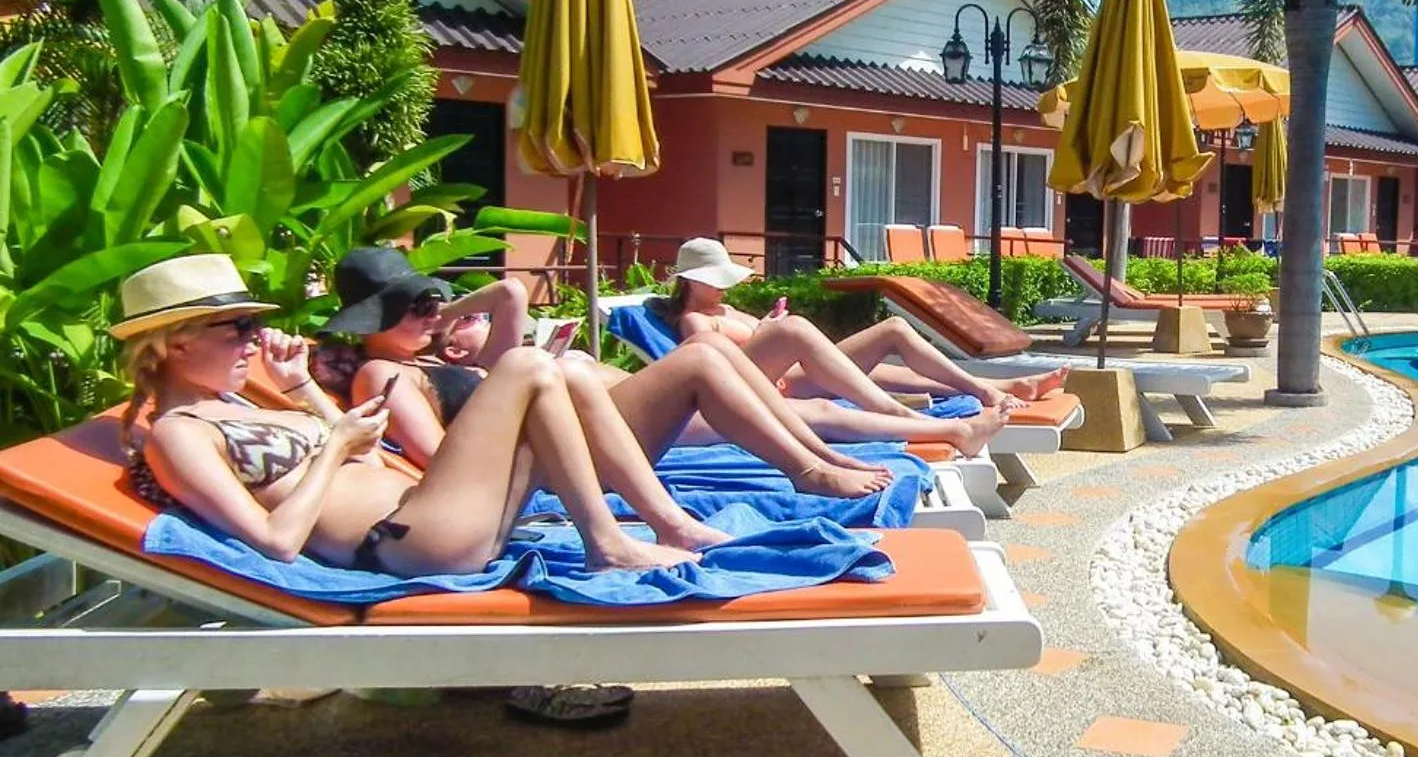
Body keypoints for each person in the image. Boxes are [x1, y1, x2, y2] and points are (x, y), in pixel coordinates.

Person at [113, 254, 706, 578]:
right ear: (177, 344)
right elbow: (277, 541)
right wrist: (331, 448)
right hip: (402, 543)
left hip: (430, 512)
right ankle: (609, 542)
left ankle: (662, 525)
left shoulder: (238, 406)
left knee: (561, 372)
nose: (251, 342)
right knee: (525, 367)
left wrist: (302, 390)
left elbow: (365, 454)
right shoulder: (178, 434)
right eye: (237, 328)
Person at [319, 249, 919, 499]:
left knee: (708, 358)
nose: (432, 317)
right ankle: (812, 467)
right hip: (552, 462)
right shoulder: (380, 375)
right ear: (376, 318)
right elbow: (445, 460)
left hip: (567, 436)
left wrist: (432, 313)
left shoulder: (425, 360)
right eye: (414, 308)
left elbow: (507, 292)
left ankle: (819, 460)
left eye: (431, 306)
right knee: (701, 358)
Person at [652, 238, 1066, 411]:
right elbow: (717, 370)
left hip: (792, 371)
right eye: (716, 280)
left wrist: (766, 328)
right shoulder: (694, 323)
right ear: (689, 281)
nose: (724, 288)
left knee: (886, 363)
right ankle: (984, 391)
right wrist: (771, 335)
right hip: (780, 387)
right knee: (894, 332)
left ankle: (1006, 386)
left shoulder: (724, 312)